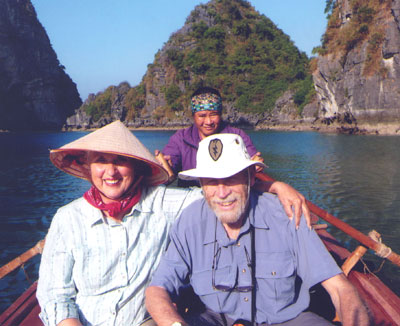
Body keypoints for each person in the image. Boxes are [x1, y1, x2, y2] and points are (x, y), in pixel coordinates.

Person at [37, 121, 311, 326]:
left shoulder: (164, 203)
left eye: (120, 161)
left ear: (136, 167)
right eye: (100, 161)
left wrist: (274, 185)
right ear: (87, 166)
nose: (110, 172)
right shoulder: (68, 218)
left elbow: (219, 192)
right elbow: (55, 297)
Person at [145, 134, 371, 326]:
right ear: (201, 184)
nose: (222, 192)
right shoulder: (189, 222)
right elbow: (156, 290)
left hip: (285, 320)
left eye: (231, 178)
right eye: (211, 181)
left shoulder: (287, 216)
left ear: (251, 177)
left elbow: (340, 288)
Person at [160, 87, 264, 187]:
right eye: (202, 116)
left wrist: (256, 164)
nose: (208, 122)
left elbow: (253, 162)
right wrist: (165, 166)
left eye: (213, 114)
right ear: (193, 116)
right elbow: (170, 165)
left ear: (220, 114)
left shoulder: (238, 136)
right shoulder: (180, 139)